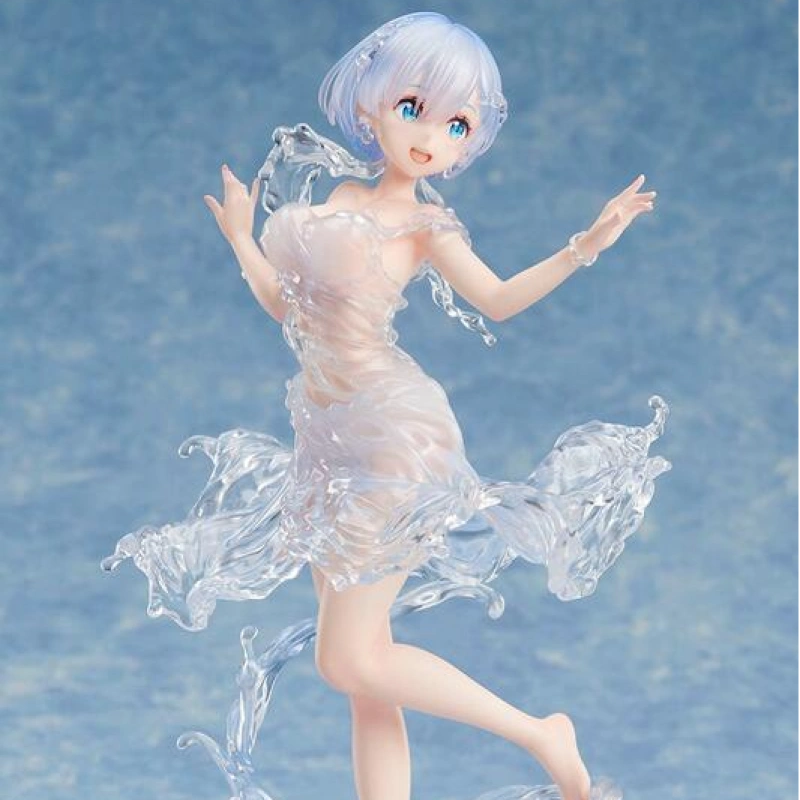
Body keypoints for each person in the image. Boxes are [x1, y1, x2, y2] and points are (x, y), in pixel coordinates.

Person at [104, 11, 670, 800]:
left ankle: (540, 732)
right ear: (373, 105)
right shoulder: (339, 196)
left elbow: (498, 298)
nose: (432, 137)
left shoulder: (424, 223)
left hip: (391, 437)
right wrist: (241, 237)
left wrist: (585, 245)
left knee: (346, 660)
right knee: (368, 671)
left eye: (457, 125)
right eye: (414, 108)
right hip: (326, 440)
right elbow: (289, 309)